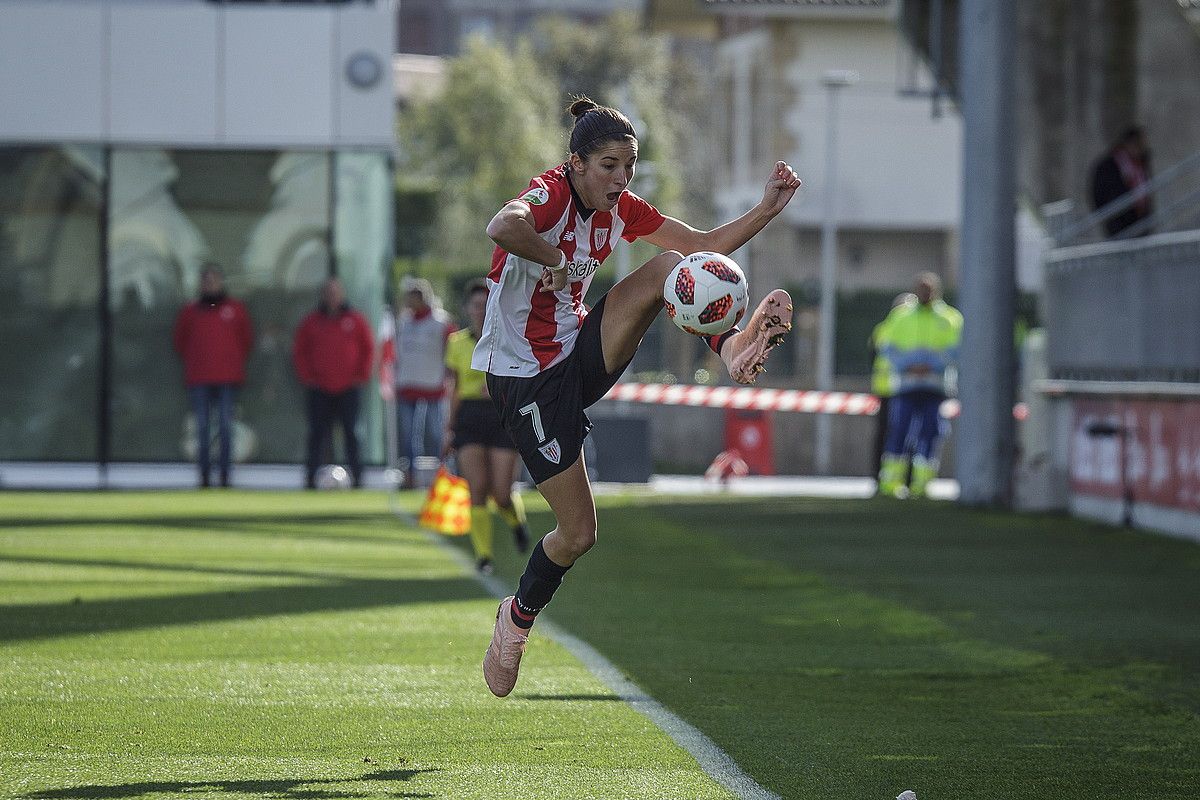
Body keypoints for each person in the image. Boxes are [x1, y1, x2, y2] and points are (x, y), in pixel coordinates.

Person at [478, 97, 801, 697]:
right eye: (608, 166)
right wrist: (556, 260)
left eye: (628, 166)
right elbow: (502, 226)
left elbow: (706, 245)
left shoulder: (619, 207)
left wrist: (767, 209)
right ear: (575, 164)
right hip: (525, 378)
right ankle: (515, 620)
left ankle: (731, 348)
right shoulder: (548, 194)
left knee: (673, 266)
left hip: (578, 351)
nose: (621, 179)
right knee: (577, 534)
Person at [444, 279, 531, 575]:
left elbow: (523, 375)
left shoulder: (507, 337)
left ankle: (516, 523)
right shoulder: (456, 343)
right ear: (467, 309)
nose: (480, 310)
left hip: (500, 415)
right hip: (469, 418)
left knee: (502, 493)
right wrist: (449, 427)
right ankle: (483, 557)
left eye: (485, 305)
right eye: (475, 305)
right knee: (477, 489)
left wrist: (497, 387)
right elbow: (453, 388)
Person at [876, 273, 962, 499]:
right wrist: (910, 366)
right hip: (906, 385)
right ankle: (891, 484)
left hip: (935, 387)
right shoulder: (901, 316)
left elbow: (956, 350)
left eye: (929, 288)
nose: (925, 293)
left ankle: (921, 485)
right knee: (899, 431)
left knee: (930, 433)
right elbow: (887, 346)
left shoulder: (950, 318)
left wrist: (929, 366)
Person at [172, 264, 253, 488]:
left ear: (221, 282)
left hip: (227, 378)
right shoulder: (191, 312)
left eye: (214, 280)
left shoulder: (235, 310)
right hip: (199, 378)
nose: (210, 284)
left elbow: (245, 340)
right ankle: (205, 477)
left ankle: (225, 475)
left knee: (226, 428)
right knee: (203, 428)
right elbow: (180, 342)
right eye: (206, 280)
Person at [293, 277, 374, 489]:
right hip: (319, 388)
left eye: (335, 292)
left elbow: (368, 349)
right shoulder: (312, 322)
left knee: (351, 434)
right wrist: (308, 377)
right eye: (328, 292)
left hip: (348, 388)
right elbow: (300, 351)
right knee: (317, 434)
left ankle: (358, 478)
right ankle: (310, 479)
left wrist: (361, 375)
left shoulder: (355, 320)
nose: (332, 296)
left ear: (342, 294)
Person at [380, 279, 456, 488]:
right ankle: (410, 476)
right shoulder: (402, 323)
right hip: (407, 384)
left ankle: (444, 474)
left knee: (436, 433)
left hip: (433, 385)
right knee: (408, 436)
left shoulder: (441, 323)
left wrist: (450, 378)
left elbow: (452, 353)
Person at [868, 292, 916, 490]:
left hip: (897, 389)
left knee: (895, 435)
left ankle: (891, 478)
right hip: (894, 390)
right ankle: (893, 478)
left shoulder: (882, 328)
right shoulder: (891, 329)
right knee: (898, 435)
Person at [1090, 126, 1153, 238]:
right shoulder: (1110, 165)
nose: (1140, 148)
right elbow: (1099, 193)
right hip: (1118, 223)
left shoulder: (1141, 163)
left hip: (1140, 223)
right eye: (1137, 144)